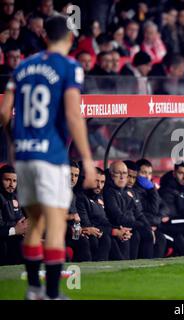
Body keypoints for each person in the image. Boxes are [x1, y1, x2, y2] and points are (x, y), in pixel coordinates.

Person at [0, 15, 96, 300]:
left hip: (25, 157)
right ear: (70, 39)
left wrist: (11, 142)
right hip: (52, 157)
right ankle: (52, 294)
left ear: (44, 36)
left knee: (34, 223)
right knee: (54, 226)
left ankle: (33, 290)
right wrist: (88, 160)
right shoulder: (69, 66)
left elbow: (4, 113)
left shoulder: (23, 67)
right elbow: (72, 114)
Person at [0, 164, 27, 265]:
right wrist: (15, 230)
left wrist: (25, 226)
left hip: (15, 237)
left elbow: (19, 218)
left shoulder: (16, 196)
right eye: (7, 180)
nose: (11, 184)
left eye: (14, 181)